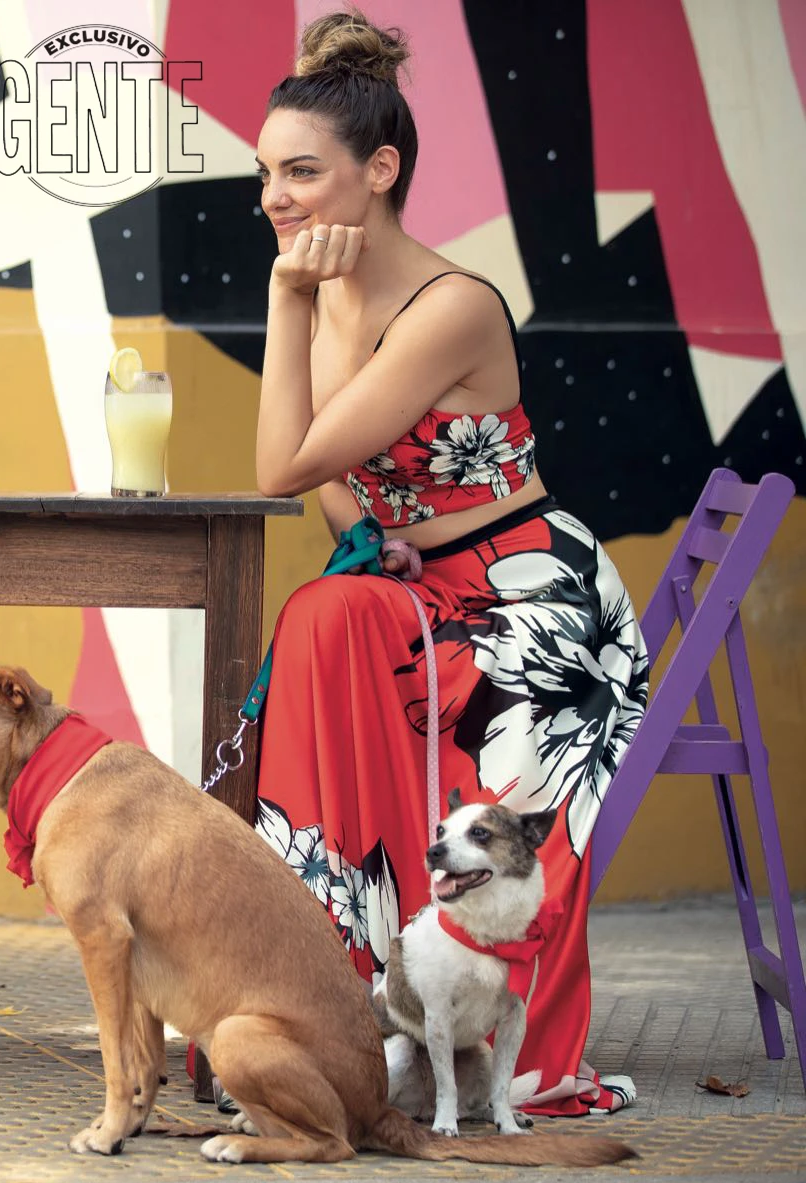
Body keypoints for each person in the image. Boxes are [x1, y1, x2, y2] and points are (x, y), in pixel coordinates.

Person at [246, 9, 649, 1116]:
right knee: (324, 616)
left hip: (533, 604)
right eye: (266, 175)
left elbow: (280, 464)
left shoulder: (453, 306)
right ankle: (339, 1003)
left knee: (337, 619)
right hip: (424, 589)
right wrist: (378, 540)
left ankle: (494, 1050)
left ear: (379, 171)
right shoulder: (333, 295)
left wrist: (284, 298)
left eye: (300, 172)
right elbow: (338, 490)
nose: (275, 197)